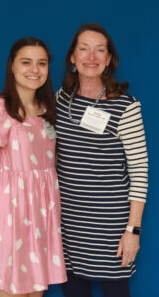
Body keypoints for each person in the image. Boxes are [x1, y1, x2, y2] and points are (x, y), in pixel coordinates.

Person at [0, 37, 67, 297]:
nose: (35, 70)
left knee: (36, 292)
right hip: (9, 216)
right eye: (26, 62)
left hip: (42, 216)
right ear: (12, 66)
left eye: (41, 63)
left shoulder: (47, 110)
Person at [55, 23, 148, 297]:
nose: (91, 57)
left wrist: (133, 230)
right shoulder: (60, 100)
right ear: (72, 57)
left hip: (110, 227)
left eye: (99, 50)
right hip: (68, 224)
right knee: (73, 291)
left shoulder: (126, 107)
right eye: (83, 49)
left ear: (108, 59)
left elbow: (140, 170)